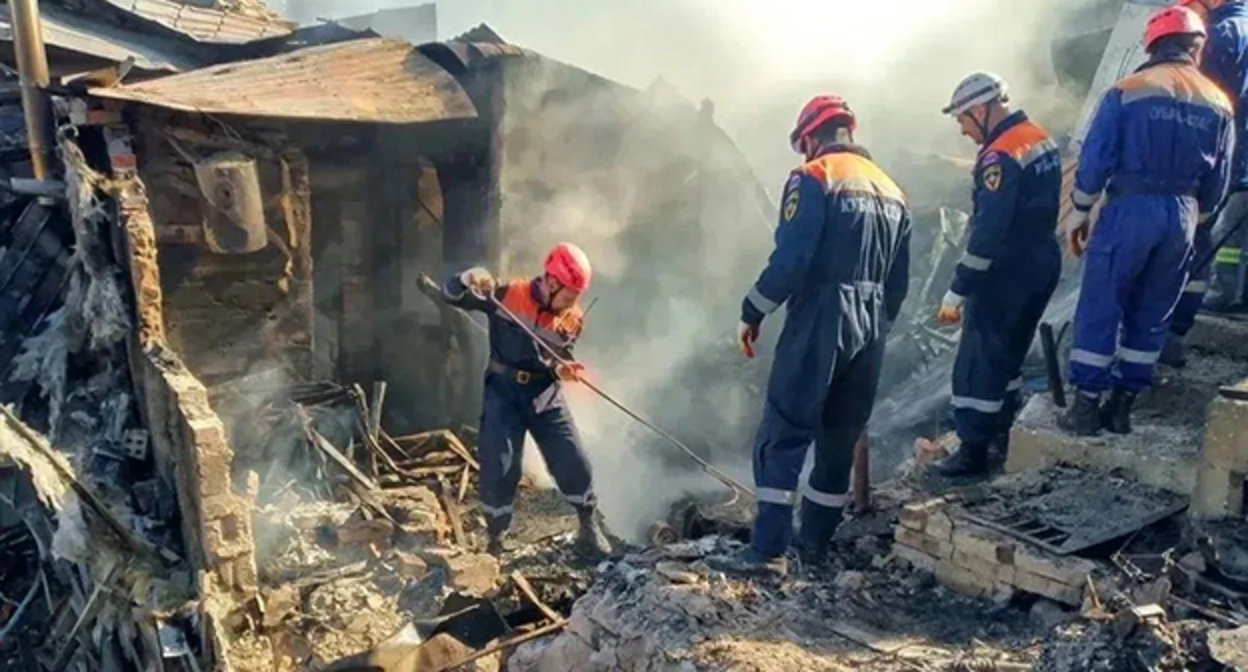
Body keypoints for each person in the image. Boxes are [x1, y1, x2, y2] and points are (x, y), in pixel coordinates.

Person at [711, 95, 911, 575]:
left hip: (821, 315)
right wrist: (874, 327)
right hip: (872, 325)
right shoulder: (894, 191)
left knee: (783, 431)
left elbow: (792, 259)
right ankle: (814, 547)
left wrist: (753, 310)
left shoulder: (814, 176)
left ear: (809, 139)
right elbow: (899, 284)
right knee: (839, 439)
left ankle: (768, 552)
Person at [1064, 6, 1234, 435]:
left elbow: (1096, 159)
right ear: (1197, 48)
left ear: (1152, 45)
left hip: (1130, 208)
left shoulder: (1128, 90)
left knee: (1103, 302)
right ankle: (1122, 407)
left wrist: (1080, 210)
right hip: (1183, 214)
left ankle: (1086, 407)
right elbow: (1220, 179)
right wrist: (1197, 215)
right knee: (1154, 309)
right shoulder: (1220, 103)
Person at [929, 72, 1062, 478]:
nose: (962, 130)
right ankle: (1002, 436)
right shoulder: (1039, 138)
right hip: (1041, 263)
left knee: (978, 363)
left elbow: (989, 232)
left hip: (1006, 273)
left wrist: (958, 289)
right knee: (1009, 358)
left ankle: (972, 452)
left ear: (981, 109)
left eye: (963, 119)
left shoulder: (999, 156)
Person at [442, 243, 612, 558]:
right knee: (500, 465)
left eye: (577, 296)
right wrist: (466, 278)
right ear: (552, 282)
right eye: (569, 295)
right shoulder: (507, 294)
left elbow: (558, 360)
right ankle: (496, 537)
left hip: (545, 395)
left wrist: (563, 370)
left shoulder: (572, 319)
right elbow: (451, 295)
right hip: (503, 393)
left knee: (573, 459)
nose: (572, 303)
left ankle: (589, 525)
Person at [1164, 0, 1248, 367]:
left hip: (1228, 155)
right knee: (1234, 235)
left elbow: (1206, 98)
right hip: (1239, 154)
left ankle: (1222, 294)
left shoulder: (1223, 33)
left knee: (1216, 236)